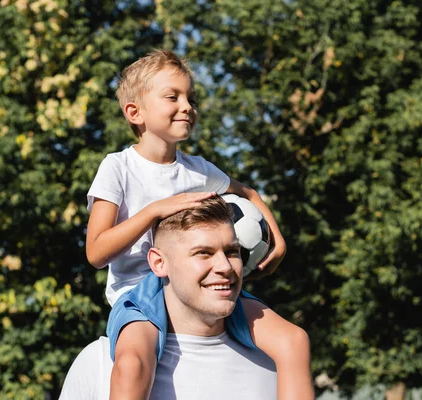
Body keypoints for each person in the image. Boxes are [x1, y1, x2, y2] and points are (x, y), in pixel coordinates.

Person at [86, 50, 313, 399]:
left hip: (202, 288)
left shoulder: (200, 170)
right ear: (135, 112)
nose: (187, 106)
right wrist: (153, 211)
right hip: (139, 294)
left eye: (191, 98)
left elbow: (248, 193)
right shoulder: (118, 167)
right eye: (172, 97)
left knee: (294, 341)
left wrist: (277, 240)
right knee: (132, 364)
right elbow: (96, 252)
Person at [60, 196, 282, 399]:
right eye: (203, 252)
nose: (225, 267)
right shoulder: (99, 365)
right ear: (159, 263)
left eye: (233, 252)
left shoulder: (275, 366)